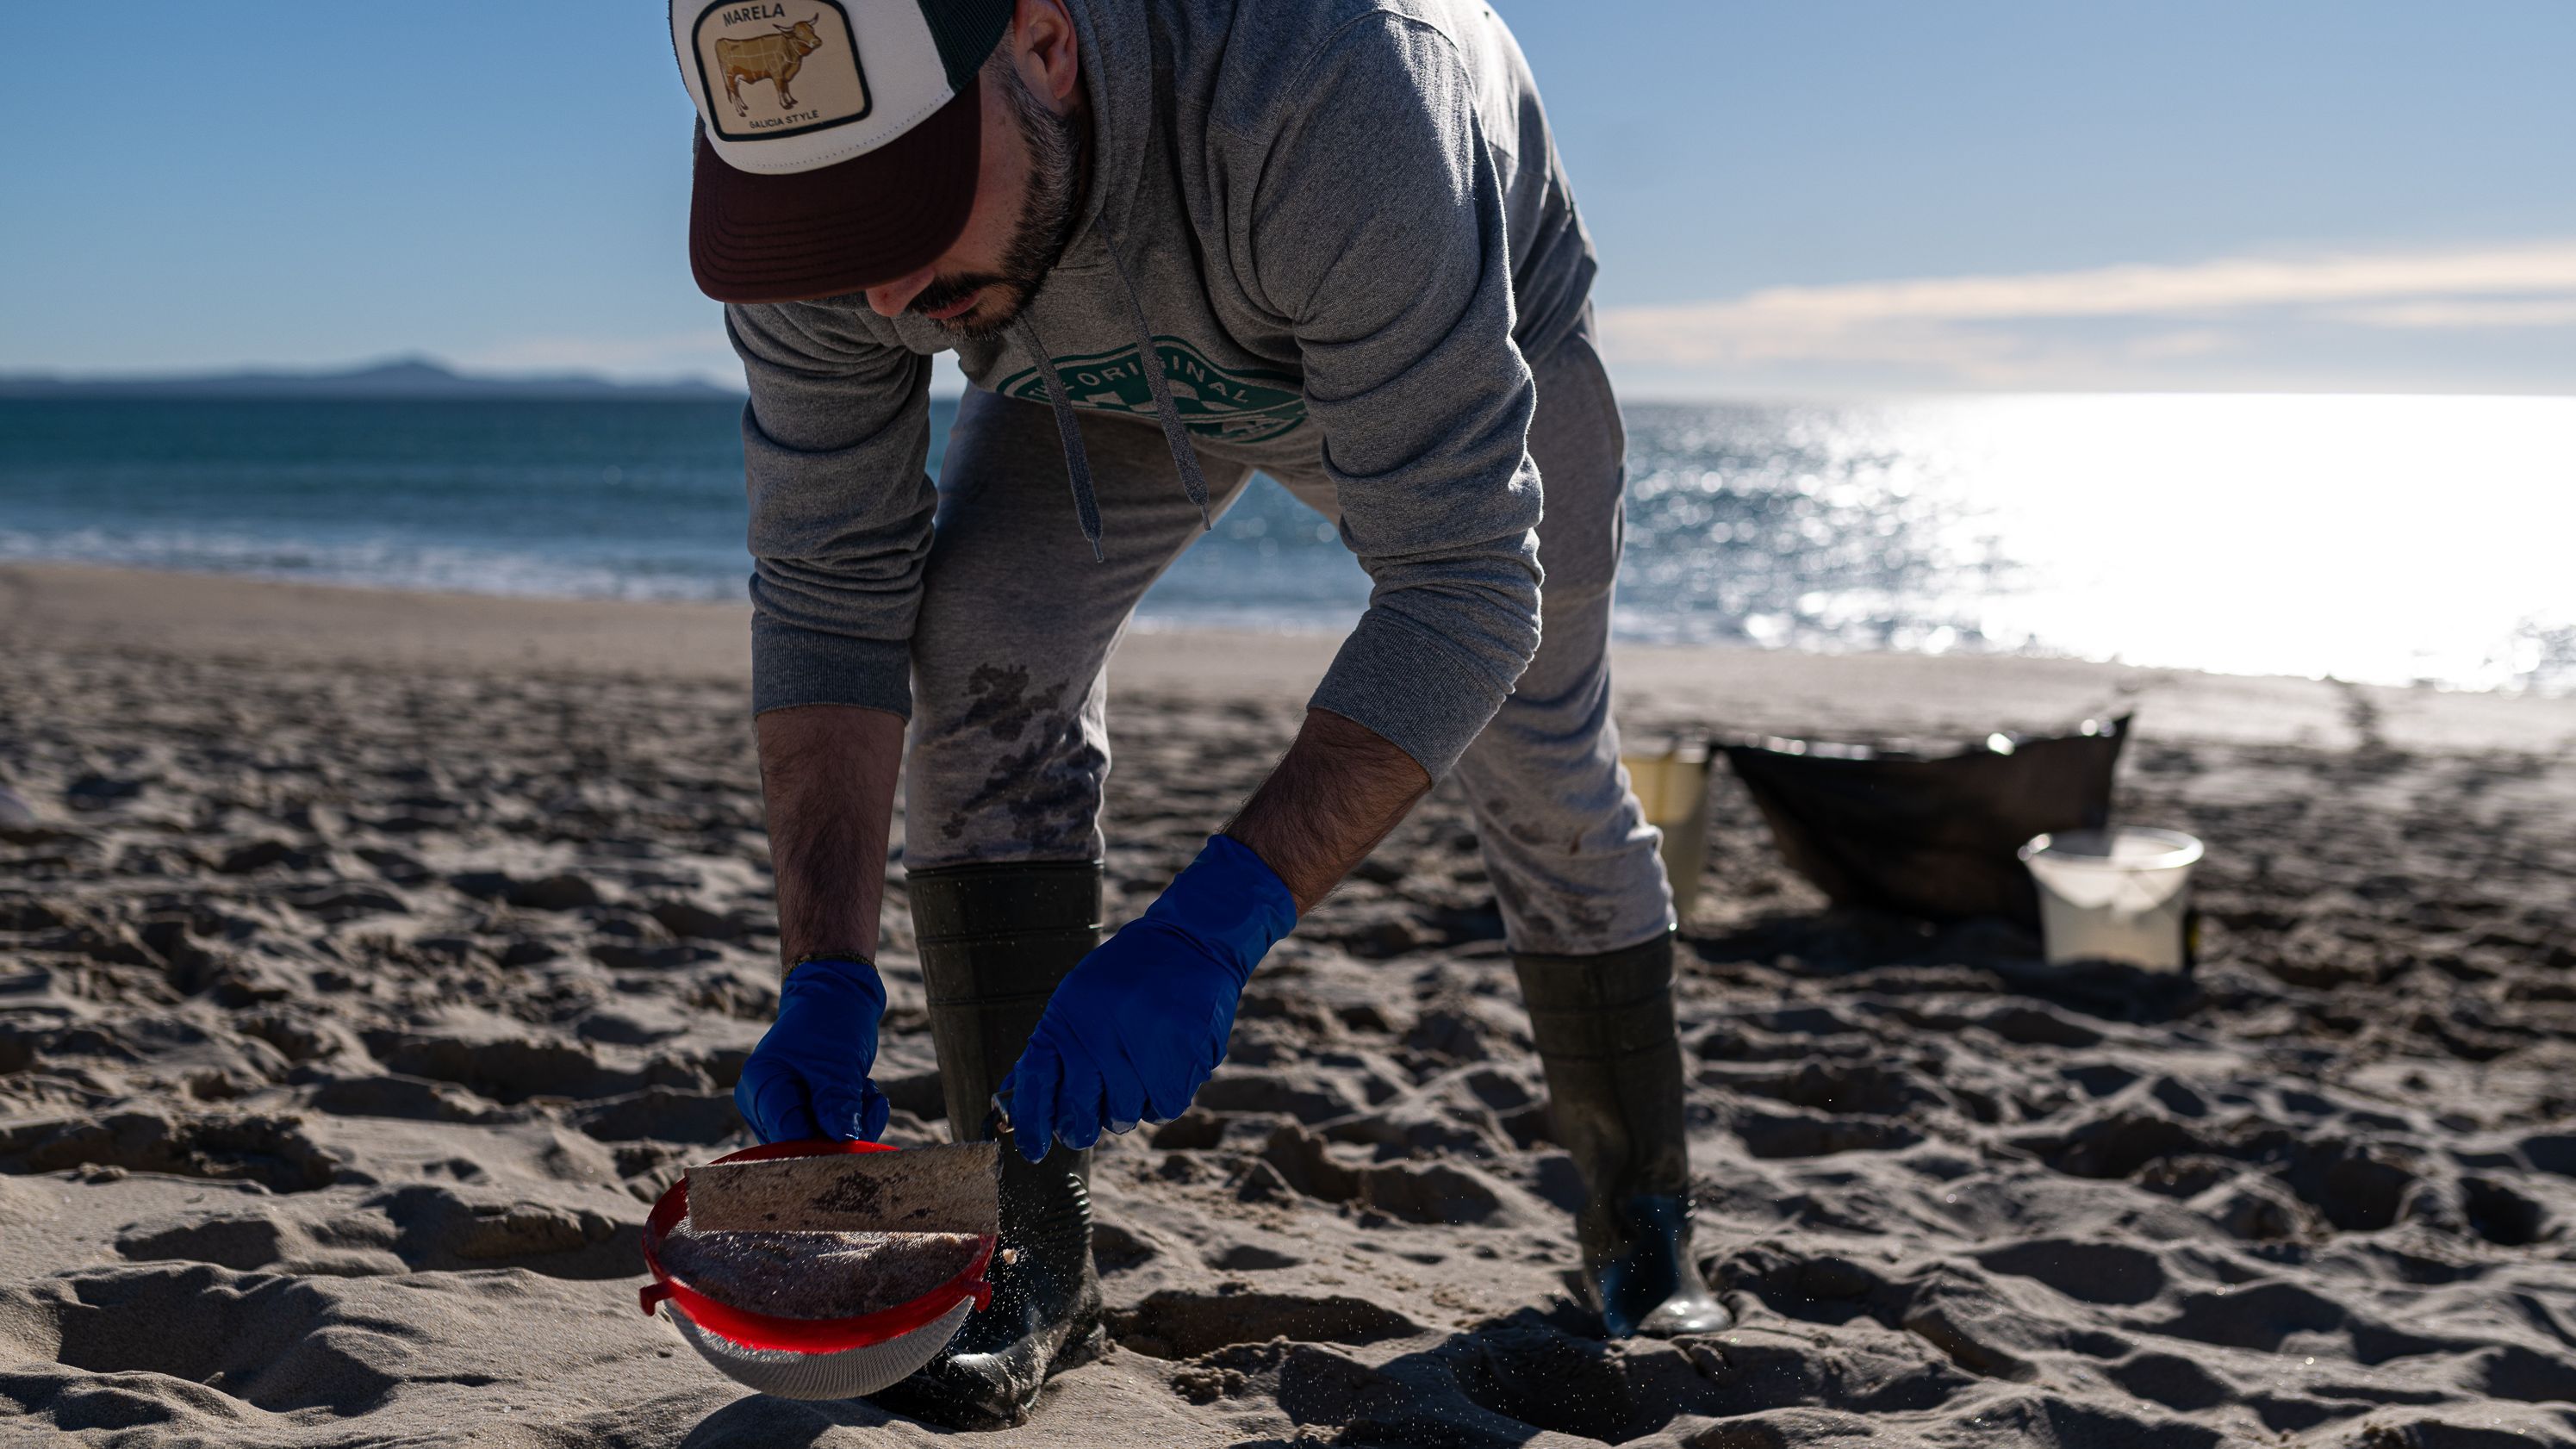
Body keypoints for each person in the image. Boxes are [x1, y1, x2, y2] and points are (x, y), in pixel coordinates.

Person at [671, 0, 1728, 1425]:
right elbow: (826, 589)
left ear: (1041, 42)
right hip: (1086, 360)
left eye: (905, 203)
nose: (877, 294)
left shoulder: (1336, 84)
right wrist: (827, 966)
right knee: (979, 648)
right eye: (831, 230)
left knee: (1540, 765)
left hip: (1461, 339)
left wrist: (1212, 927)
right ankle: (1037, 1263)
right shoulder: (814, 175)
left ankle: (1640, 1234)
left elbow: (1464, 585)